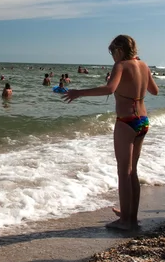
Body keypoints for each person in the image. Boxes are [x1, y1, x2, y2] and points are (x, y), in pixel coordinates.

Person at [62, 35, 159, 230]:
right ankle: (130, 216)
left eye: (112, 52)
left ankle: (126, 222)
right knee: (133, 171)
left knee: (124, 172)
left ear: (120, 50)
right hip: (143, 121)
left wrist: (78, 92)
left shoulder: (121, 66)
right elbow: (154, 90)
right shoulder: (144, 65)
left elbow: (109, 89)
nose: (112, 57)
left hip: (126, 121)